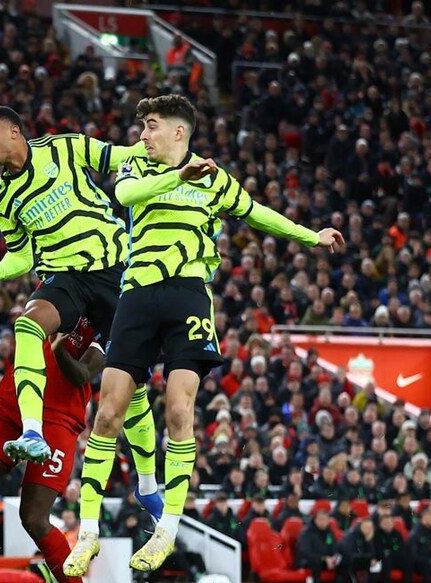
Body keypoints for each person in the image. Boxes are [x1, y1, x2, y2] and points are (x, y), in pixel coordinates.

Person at [64, 94, 344, 575]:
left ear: (178, 131)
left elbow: (257, 212)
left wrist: (308, 236)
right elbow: (125, 197)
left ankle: (166, 530)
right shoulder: (136, 163)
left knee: (178, 410)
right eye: (142, 128)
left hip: (189, 296)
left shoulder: (215, 177)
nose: (143, 135)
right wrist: (177, 177)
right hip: (138, 293)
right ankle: (87, 532)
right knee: (106, 413)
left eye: (151, 126)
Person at [0, 106, 155, 473]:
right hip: (65, 276)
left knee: (135, 383)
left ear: (14, 131)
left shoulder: (64, 148)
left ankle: (147, 484)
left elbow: (121, 157)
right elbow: (24, 255)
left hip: (114, 268)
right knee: (28, 325)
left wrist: (162, 141)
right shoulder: (3, 197)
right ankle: (33, 433)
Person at [0, 318, 112, 583]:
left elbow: (83, 374)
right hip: (15, 400)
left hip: (59, 415)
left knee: (33, 516)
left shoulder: (107, 313)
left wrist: (58, 349)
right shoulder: (56, 282)